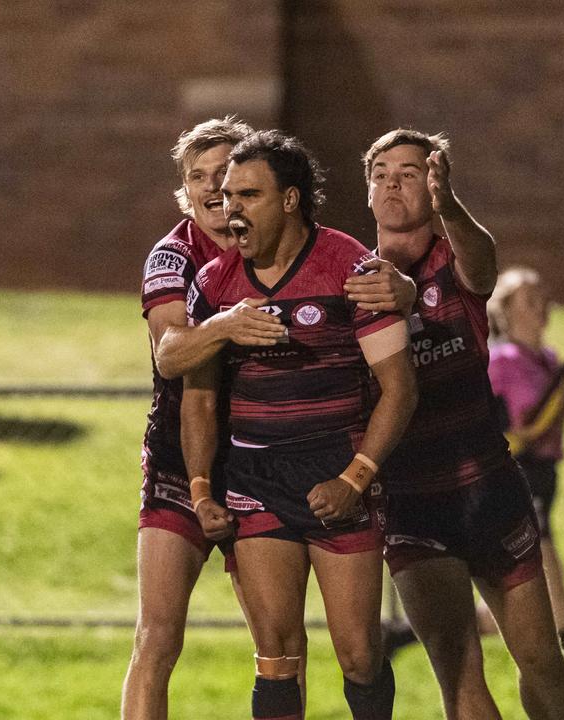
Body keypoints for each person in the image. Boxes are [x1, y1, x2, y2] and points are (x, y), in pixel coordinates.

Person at [183, 130, 418, 720]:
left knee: (360, 654)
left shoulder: (349, 267)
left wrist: (355, 478)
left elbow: (400, 389)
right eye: (228, 195)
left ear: (289, 200)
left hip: (335, 473)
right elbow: (199, 398)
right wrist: (201, 490)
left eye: (248, 195)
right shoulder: (216, 285)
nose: (231, 209)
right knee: (276, 655)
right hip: (255, 477)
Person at [361, 128, 564, 720]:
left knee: (543, 661)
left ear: (433, 187)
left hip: (487, 487)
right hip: (412, 498)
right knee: (458, 673)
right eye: (381, 175)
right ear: (367, 193)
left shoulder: (454, 263)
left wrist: (450, 203)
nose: (393, 183)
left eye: (409, 172)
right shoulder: (353, 277)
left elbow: (483, 263)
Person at [122, 116, 293, 720]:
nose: (210, 186)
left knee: (279, 646)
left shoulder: (284, 248)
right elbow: (170, 355)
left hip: (261, 462)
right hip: (176, 459)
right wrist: (224, 324)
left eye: (223, 173)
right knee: (159, 635)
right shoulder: (173, 254)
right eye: (196, 176)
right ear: (185, 192)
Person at [487, 267, 564, 720]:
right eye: (527, 299)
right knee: (556, 603)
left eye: (541, 297)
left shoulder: (546, 358)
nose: (538, 305)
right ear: (505, 312)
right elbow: (514, 433)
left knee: (532, 604)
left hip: (546, 480)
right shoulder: (502, 361)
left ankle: (410, 632)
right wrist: (559, 408)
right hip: (521, 479)